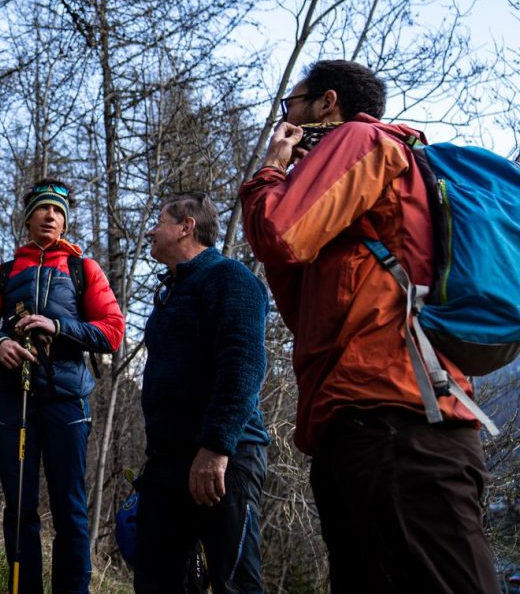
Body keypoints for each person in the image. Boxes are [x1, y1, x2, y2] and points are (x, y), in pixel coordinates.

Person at [239, 59, 498, 592]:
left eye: (293, 104)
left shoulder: (362, 140)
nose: (284, 117)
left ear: (327, 103)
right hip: (357, 420)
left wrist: (270, 171)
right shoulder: (356, 196)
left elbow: (280, 237)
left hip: (401, 422)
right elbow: (305, 310)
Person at [0, 179, 124, 593]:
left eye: (58, 211)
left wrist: (58, 326)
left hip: (68, 402)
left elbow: (112, 332)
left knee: (69, 507)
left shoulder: (82, 269)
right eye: (43, 209)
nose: (51, 216)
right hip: (14, 401)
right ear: (29, 217)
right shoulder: (2, 274)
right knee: (19, 506)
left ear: (65, 222)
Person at [136, 192, 270, 593]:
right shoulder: (172, 292)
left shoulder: (231, 278)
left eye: (160, 221)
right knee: (157, 582)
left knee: (234, 584)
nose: (151, 230)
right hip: (168, 463)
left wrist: (216, 447)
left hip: (224, 457)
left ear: (185, 227)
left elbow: (244, 364)